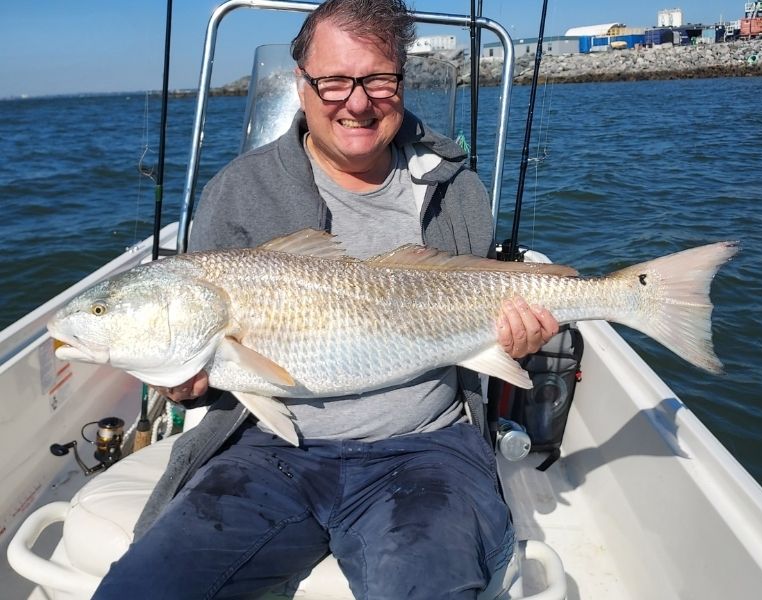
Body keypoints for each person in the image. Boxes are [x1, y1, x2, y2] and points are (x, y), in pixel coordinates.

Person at [93, 0, 559, 598]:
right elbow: (217, 371)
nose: (357, 102)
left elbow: (475, 297)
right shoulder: (237, 192)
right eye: (334, 80)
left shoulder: (458, 190)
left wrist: (514, 336)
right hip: (266, 451)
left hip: (427, 450)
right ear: (301, 84)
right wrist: (188, 378)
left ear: (401, 81)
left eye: (378, 80)